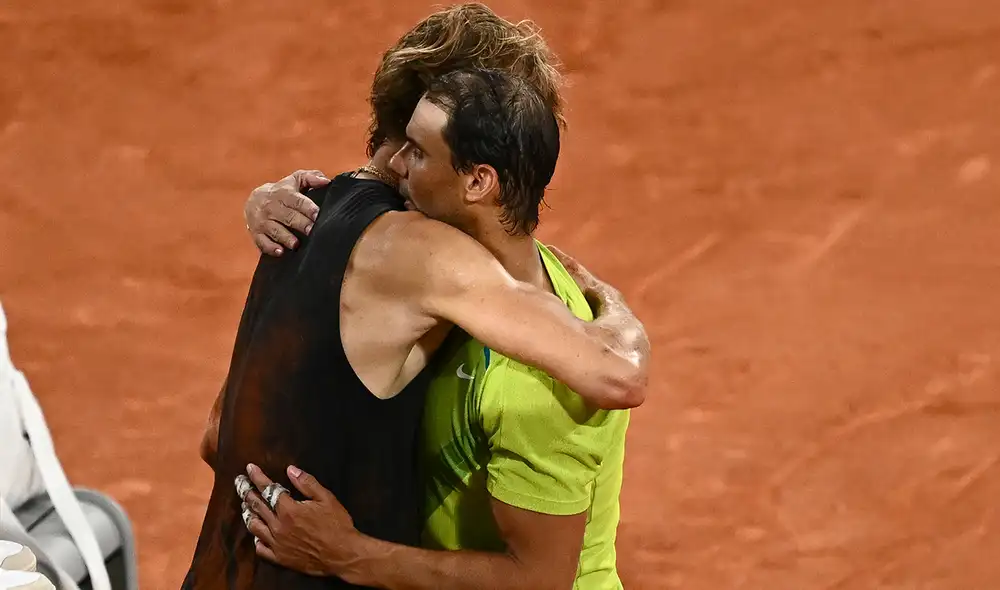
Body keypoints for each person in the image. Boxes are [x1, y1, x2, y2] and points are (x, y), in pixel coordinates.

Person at [185, 5, 649, 590]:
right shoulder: (435, 267)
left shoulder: (315, 216)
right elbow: (621, 371)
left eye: (419, 151)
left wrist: (352, 553)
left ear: (478, 175)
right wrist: (614, 304)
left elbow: (217, 435)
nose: (397, 165)